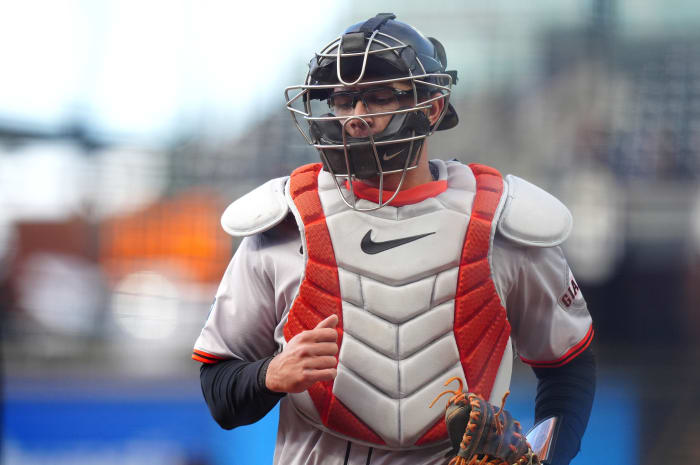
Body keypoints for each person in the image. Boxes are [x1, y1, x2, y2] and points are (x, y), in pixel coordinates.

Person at [192, 13, 595, 465]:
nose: (355, 118)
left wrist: (546, 457)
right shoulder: (284, 225)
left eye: (378, 98)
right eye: (343, 101)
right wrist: (270, 374)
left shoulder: (500, 222)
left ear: (432, 108)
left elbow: (568, 368)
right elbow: (219, 394)